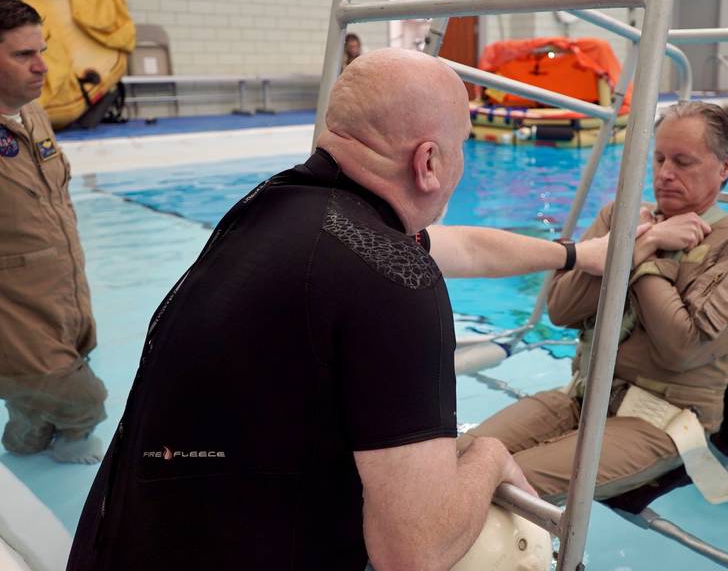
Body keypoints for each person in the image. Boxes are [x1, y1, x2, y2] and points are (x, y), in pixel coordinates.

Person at [68, 48, 617, 571]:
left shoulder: (270, 208)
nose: (463, 164)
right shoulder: (396, 279)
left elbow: (463, 248)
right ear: (429, 161)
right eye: (463, 147)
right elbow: (414, 552)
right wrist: (489, 456)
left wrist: (574, 255)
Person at [460, 101, 728, 503]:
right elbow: (562, 309)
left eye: (683, 162)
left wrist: (644, 263)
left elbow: (683, 349)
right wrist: (643, 241)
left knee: (500, 486)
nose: (664, 174)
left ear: (725, 166)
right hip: (581, 397)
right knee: (457, 458)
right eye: (660, 158)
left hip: (662, 422)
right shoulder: (623, 218)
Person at [0, 0, 106, 465]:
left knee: (36, 415)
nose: (41, 66)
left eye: (41, 51)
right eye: (23, 55)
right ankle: (71, 444)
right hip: (14, 316)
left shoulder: (33, 115)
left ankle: (25, 444)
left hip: (61, 300)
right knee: (85, 399)